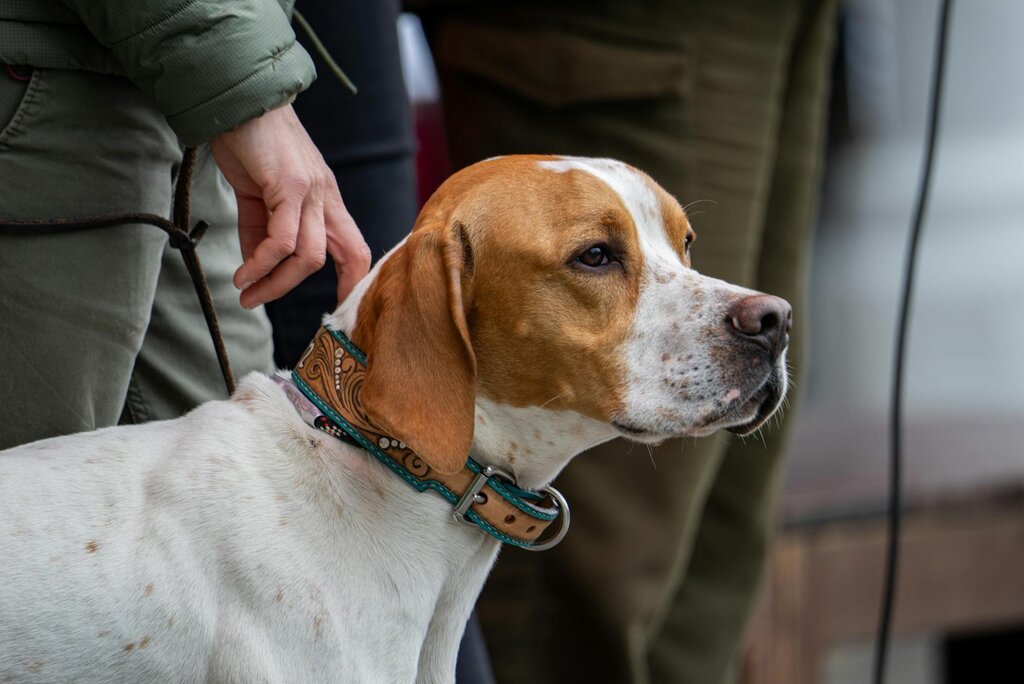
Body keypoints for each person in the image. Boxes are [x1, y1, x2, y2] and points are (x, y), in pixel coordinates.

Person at [411, 0, 839, 681]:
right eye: (599, 257)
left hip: (790, 21)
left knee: (729, 510)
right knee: (603, 554)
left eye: (685, 247)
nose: (753, 310)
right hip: (634, 18)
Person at [0, 0, 369, 450]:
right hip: (51, 90)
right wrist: (248, 85)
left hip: (185, 98)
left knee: (249, 473)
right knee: (33, 496)